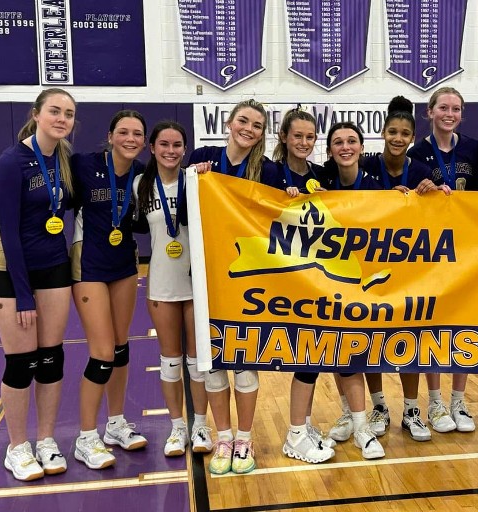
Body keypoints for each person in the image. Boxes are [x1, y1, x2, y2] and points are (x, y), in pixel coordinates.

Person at [0, 88, 75, 480]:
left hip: (53, 263)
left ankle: (46, 440)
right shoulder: (13, 159)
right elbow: (14, 233)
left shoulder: (64, 159)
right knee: (21, 362)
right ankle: (17, 447)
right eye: (55, 111)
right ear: (37, 114)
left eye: (68, 114)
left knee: (51, 359)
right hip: (10, 265)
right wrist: (23, 295)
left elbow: (60, 202)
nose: (62, 119)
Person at [355, 96, 443, 442]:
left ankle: (410, 409)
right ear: (383, 132)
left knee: (411, 337)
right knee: (372, 337)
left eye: (404, 133)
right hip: (370, 266)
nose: (397, 137)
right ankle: (379, 406)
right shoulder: (366, 165)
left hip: (409, 268)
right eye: (392, 131)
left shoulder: (421, 169)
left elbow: (440, 211)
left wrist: (436, 192)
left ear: (411, 136)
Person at [187, 98, 268, 474]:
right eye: (243, 121)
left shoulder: (265, 170)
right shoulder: (203, 158)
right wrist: (194, 175)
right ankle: (222, 436)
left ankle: (245, 438)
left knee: (244, 362)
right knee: (213, 362)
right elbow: (186, 211)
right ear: (230, 123)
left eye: (256, 124)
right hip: (206, 275)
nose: (248, 129)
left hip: (248, 279)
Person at [71, 110, 149, 469]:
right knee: (101, 351)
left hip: (124, 263)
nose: (130, 139)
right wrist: (1, 199)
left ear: (144, 141)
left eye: (137, 134)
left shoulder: (143, 175)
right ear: (111, 135)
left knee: (120, 347)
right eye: (124, 132)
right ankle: (86, 437)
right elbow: (49, 190)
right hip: (88, 262)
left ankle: (115, 423)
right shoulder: (84, 164)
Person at [133, 121, 214, 457]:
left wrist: (206, 172)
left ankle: (201, 426)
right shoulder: (140, 184)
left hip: (196, 283)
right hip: (162, 283)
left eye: (177, 145)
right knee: (170, 361)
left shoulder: (197, 179)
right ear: (152, 148)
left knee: (198, 362)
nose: (170, 151)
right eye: (163, 144)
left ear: (185, 148)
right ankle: (177, 427)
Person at [261, 107, 336, 464]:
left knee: (314, 352)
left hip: (316, 276)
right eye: (298, 136)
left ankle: (302, 424)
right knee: (304, 354)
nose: (304, 142)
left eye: (310, 137)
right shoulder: (269, 172)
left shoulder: (322, 175)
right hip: (281, 277)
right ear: (284, 138)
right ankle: (293, 435)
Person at [407, 87, 478, 433]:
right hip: (431, 249)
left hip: (467, 247)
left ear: (461, 114)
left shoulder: (472, 149)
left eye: (456, 108)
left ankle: (459, 401)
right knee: (432, 326)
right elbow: (405, 202)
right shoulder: (417, 151)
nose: (449, 113)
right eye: (443, 107)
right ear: (430, 112)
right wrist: (418, 192)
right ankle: (435, 402)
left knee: (463, 323)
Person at [319, 122, 386, 459]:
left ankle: (371, 414)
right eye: (338, 142)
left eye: (351, 141)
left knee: (361, 347)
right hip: (330, 278)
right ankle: (350, 412)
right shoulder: (321, 183)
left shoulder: (376, 186)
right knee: (336, 348)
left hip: (367, 279)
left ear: (361, 146)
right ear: (330, 149)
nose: (345, 147)